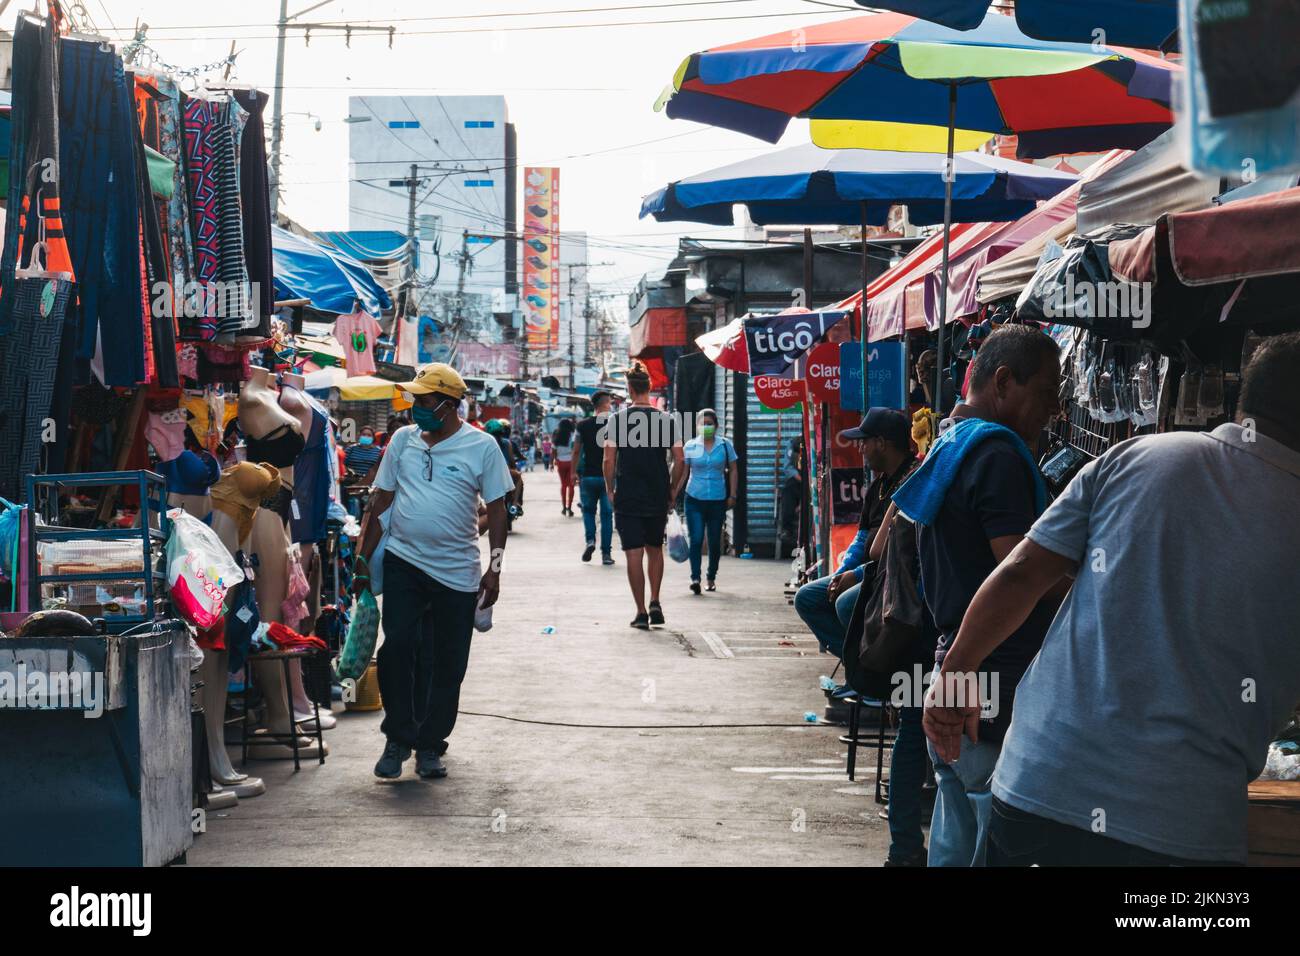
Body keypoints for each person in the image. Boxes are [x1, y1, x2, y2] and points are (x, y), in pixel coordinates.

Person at [927, 331, 1300, 867]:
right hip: (1183, 826)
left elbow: (1020, 574)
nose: (1057, 407)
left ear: (1247, 400)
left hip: (1043, 787)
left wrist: (955, 675)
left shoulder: (1140, 457)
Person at [891, 325, 1063, 866]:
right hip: (990, 683)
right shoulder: (997, 456)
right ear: (1005, 381)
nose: (1054, 410)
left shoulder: (949, 445)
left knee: (955, 835)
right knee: (990, 843)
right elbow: (1020, 574)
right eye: (1047, 393)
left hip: (957, 673)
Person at [353, 363, 514, 781]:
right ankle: (398, 737)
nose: (414, 408)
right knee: (398, 649)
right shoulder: (402, 441)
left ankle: (430, 745)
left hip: (457, 571)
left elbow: (498, 509)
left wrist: (495, 569)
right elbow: (381, 500)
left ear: (447, 405)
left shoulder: (482, 447)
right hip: (404, 562)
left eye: (422, 401)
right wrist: (361, 557)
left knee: (447, 661)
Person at [794, 408, 914, 660]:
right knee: (807, 597)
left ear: (881, 443)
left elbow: (896, 552)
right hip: (868, 572)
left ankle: (873, 676)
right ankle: (857, 668)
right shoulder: (878, 486)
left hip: (896, 576)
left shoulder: (913, 480)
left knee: (846, 603)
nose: (860, 449)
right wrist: (841, 574)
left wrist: (858, 574)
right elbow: (861, 540)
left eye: (864, 442)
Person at [604, 360, 684, 629]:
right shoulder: (667, 420)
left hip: (628, 493)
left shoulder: (617, 421)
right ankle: (655, 600)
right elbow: (680, 460)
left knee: (633, 554)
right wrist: (672, 490)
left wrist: (610, 488)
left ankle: (640, 613)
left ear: (629, 388)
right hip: (657, 494)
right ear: (649, 387)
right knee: (655, 549)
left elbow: (608, 461)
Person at [671, 408, 738, 594]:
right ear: (697, 426)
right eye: (703, 424)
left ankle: (711, 576)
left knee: (715, 541)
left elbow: (733, 469)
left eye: (710, 424)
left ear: (716, 426)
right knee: (697, 539)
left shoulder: (725, 445)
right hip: (694, 498)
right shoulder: (690, 446)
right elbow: (684, 472)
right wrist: (674, 493)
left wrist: (733, 494)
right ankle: (695, 577)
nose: (706, 427)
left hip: (718, 499)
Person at [575, 391, 615, 565]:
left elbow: (576, 450)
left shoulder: (582, 425)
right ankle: (606, 554)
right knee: (607, 516)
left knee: (588, 512)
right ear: (605, 404)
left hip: (588, 477)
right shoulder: (614, 425)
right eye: (610, 403)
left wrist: (573, 472)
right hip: (608, 478)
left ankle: (590, 540)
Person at [553, 418, 577, 515]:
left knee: (563, 485)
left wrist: (553, 461)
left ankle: (563, 508)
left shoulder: (556, 436)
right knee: (571, 485)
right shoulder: (573, 435)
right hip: (571, 462)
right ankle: (570, 508)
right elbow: (576, 449)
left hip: (560, 462)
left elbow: (553, 451)